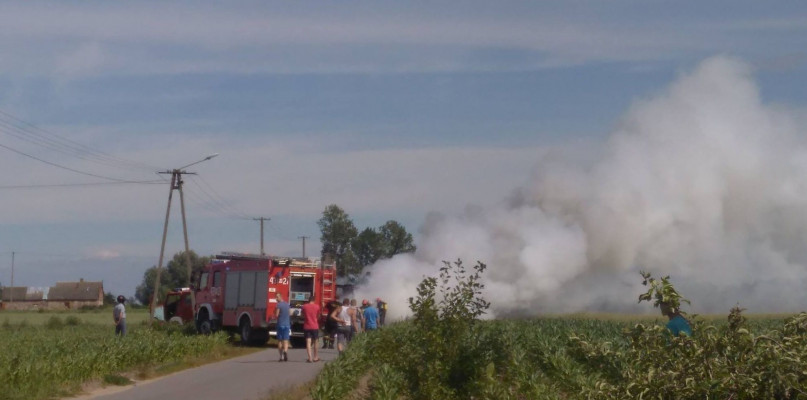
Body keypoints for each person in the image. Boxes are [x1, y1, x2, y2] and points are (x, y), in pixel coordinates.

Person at [301, 295, 321, 363]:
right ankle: (315, 357)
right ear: (314, 300)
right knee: (316, 341)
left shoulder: (304, 306)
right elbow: (318, 316)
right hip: (315, 326)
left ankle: (310, 358)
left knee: (308, 342)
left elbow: (302, 315)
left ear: (308, 300)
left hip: (307, 326)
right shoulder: (317, 306)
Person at [274, 293, 291, 362]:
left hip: (280, 324)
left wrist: (275, 312)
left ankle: (281, 357)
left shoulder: (278, 305)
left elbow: (277, 314)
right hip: (287, 324)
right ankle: (285, 351)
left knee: (280, 341)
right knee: (286, 340)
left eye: (277, 297)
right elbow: (289, 313)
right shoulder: (287, 304)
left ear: (280, 297)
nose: (276, 299)